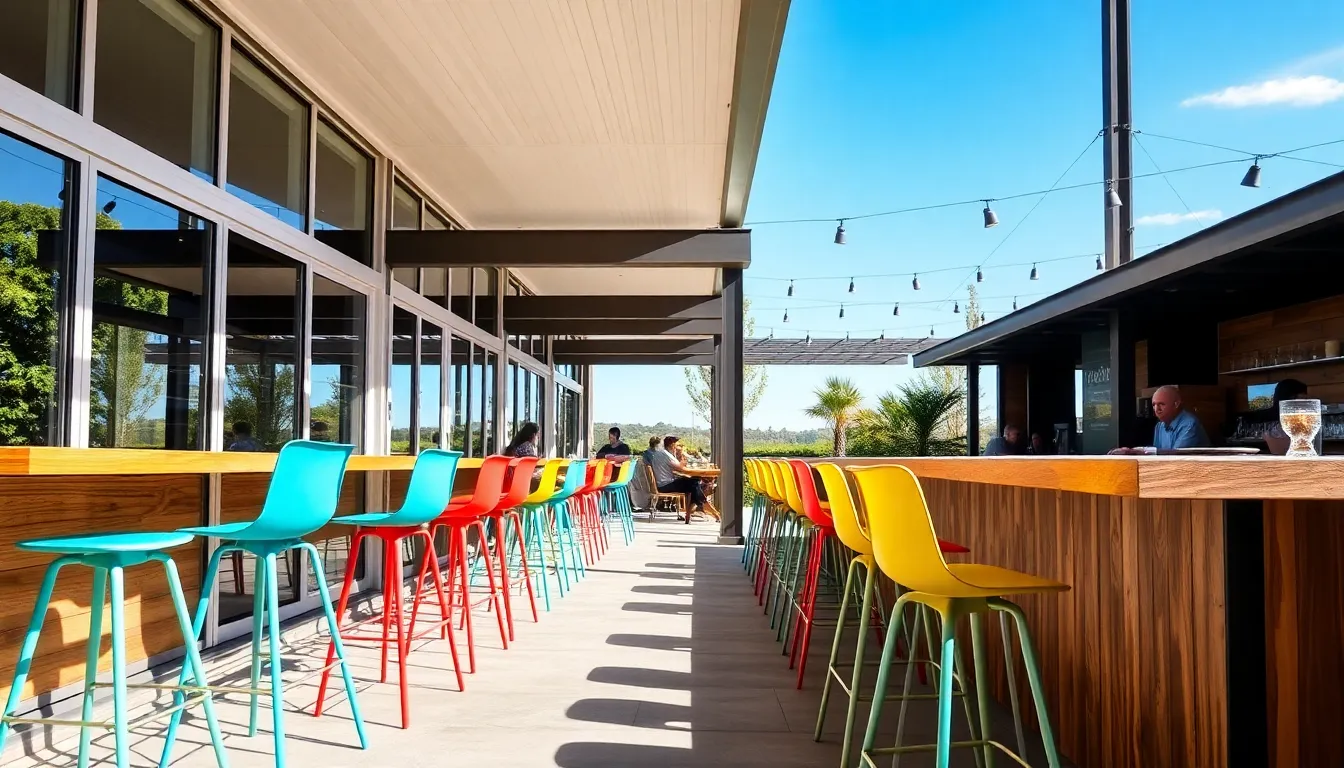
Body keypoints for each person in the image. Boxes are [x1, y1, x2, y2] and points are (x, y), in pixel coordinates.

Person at [1110, 384, 1211, 454]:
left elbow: (1176, 455)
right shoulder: (1160, 426)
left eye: (1161, 404)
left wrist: (1138, 451)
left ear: (1176, 404)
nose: (1156, 409)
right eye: (1154, 405)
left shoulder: (1189, 424)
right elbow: (1157, 455)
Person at [646, 435, 706, 515]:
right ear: (672, 445)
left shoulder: (659, 454)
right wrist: (683, 459)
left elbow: (676, 467)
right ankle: (700, 506)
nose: (677, 446)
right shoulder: (666, 454)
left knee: (694, 483)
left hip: (661, 484)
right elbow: (681, 468)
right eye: (676, 444)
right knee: (694, 482)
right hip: (665, 485)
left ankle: (696, 507)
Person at [1264, 378, 1309, 456]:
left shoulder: (1272, 428)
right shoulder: (1283, 426)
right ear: (1291, 398)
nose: (1306, 403)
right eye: (1303, 399)